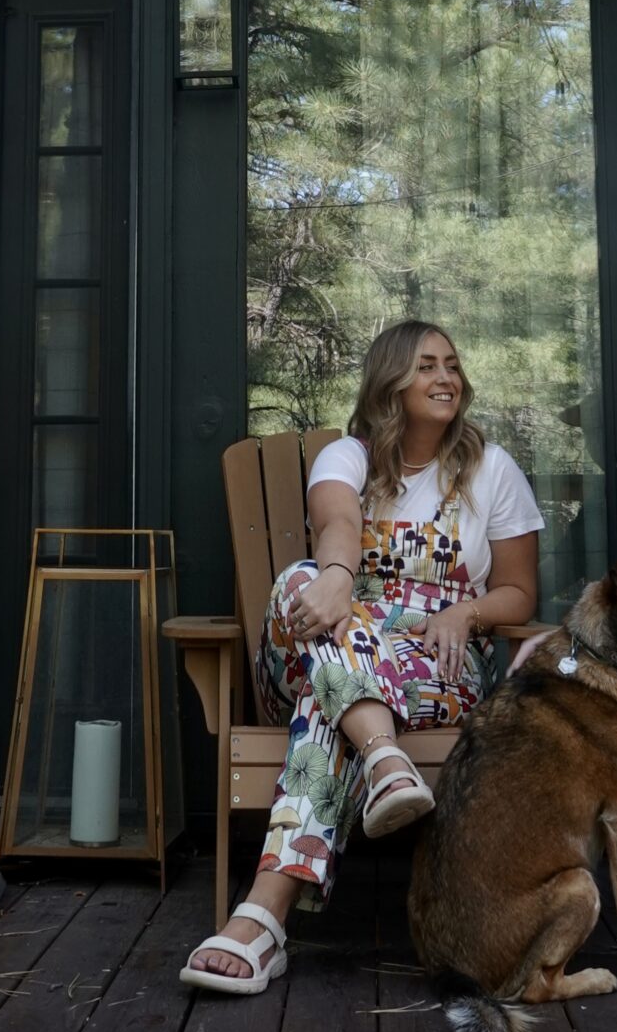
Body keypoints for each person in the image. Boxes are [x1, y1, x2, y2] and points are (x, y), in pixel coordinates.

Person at [181, 319, 543, 992]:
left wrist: (466, 610)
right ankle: (382, 758)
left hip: (435, 659)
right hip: (331, 630)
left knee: (330, 705)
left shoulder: (492, 469)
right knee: (298, 581)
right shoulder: (346, 456)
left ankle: (262, 918)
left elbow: (519, 592)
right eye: (427, 366)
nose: (446, 379)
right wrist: (339, 577)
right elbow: (338, 524)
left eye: (452, 366)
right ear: (390, 381)